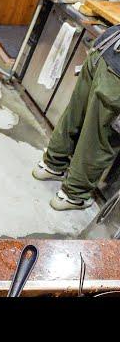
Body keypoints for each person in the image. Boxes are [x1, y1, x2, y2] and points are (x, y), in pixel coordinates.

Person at [32, 24, 120, 211]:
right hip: (117, 74)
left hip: (105, 48)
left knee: (75, 115)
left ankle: (51, 165)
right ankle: (73, 195)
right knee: (98, 137)